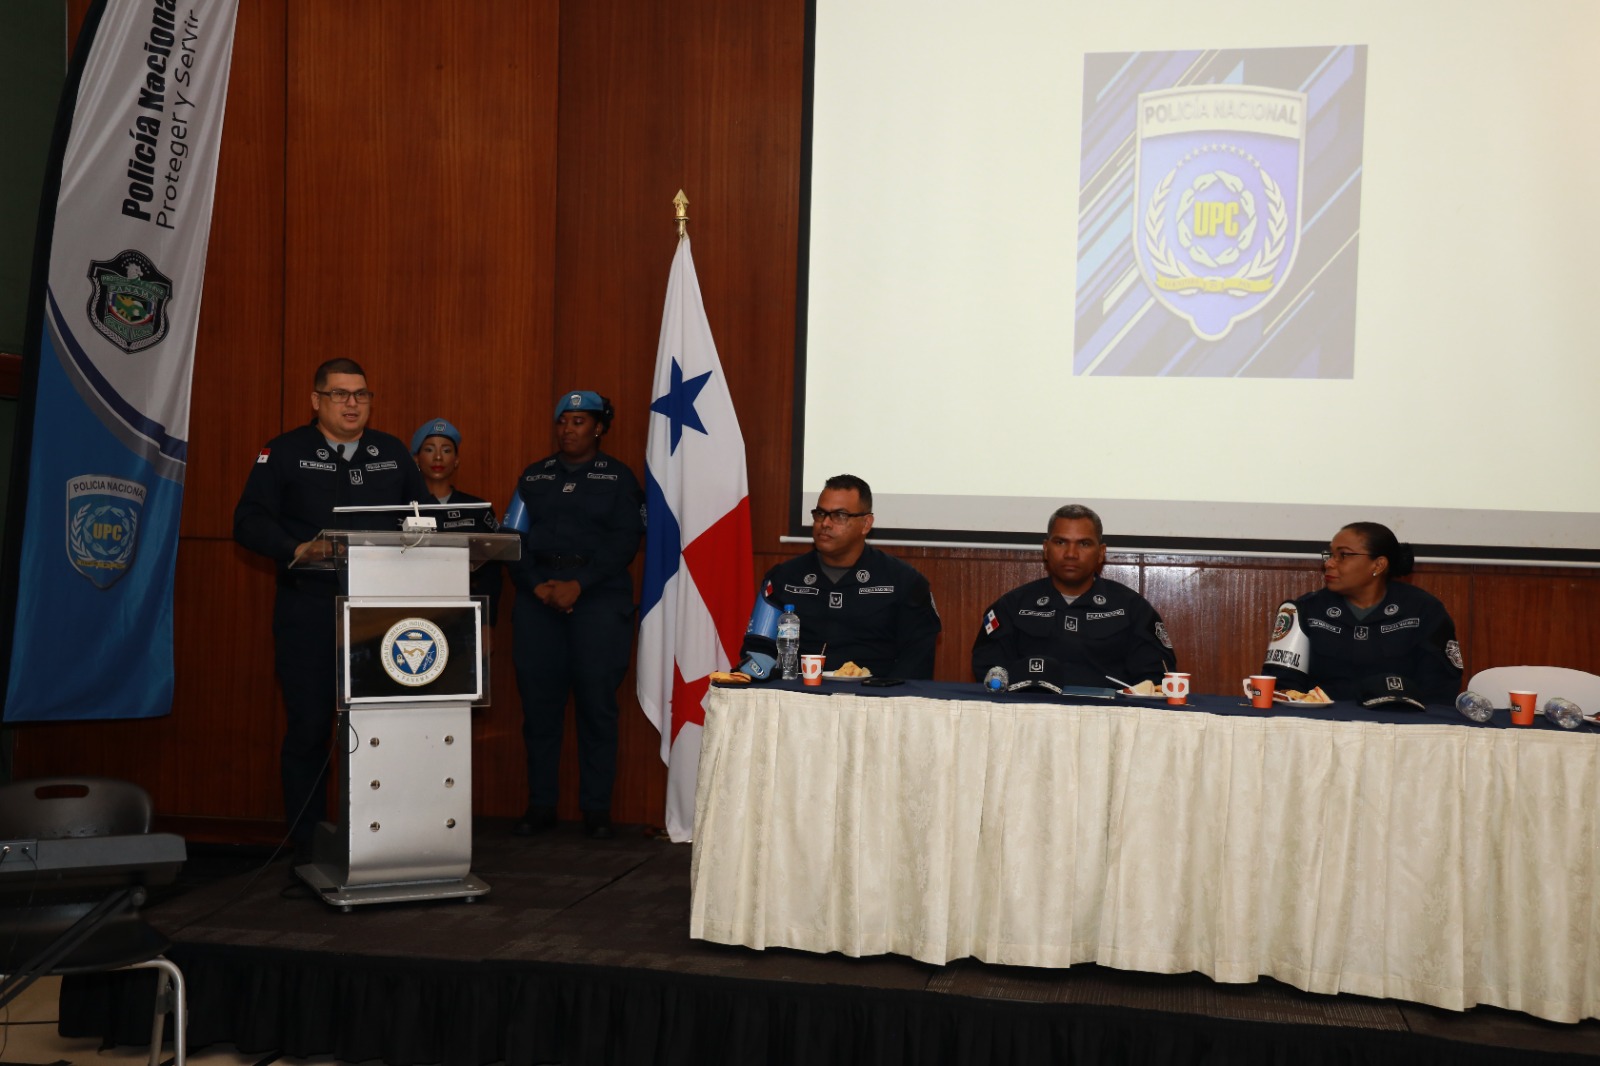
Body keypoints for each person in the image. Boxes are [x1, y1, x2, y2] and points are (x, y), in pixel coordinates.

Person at [234, 358, 429, 855]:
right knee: (310, 728)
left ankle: (383, 841)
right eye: (340, 394)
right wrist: (294, 548)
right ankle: (307, 846)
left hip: (381, 613)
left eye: (361, 394)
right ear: (316, 400)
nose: (351, 403)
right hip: (311, 608)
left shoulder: (391, 452)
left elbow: (424, 517)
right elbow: (249, 521)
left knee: (384, 729)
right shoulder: (284, 451)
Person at [504, 390, 644, 840]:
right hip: (539, 598)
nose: (568, 429)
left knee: (597, 708)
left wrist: (579, 584)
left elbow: (626, 540)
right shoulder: (534, 475)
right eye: (563, 421)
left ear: (599, 428)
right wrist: (535, 585)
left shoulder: (618, 478)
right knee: (539, 709)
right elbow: (512, 536)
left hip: (597, 599)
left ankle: (596, 810)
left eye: (579, 421)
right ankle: (541, 805)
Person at [740, 474, 940, 679]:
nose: (825, 523)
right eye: (820, 513)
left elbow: (917, 659)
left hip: (875, 694)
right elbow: (757, 649)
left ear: (866, 524)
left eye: (839, 515)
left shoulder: (903, 582)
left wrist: (885, 694)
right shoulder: (784, 578)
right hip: (798, 693)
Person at [971, 504, 1175, 688]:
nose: (1071, 554)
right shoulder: (1012, 607)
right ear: (1046, 549)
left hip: (1108, 714)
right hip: (1030, 713)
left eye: (1084, 544)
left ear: (1101, 552)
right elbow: (990, 673)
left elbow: (1155, 681)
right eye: (1061, 542)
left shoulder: (1132, 609)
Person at [1261, 521, 1463, 704]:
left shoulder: (1423, 610)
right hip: (1323, 723)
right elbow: (1282, 685)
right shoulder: (1305, 609)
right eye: (1330, 555)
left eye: (1343, 555)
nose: (1329, 563)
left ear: (1378, 565)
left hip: (1400, 723)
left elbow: (1440, 689)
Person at [411, 417, 503, 622]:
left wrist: (486, 622)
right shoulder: (401, 509)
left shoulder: (477, 509)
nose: (438, 457)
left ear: (456, 460)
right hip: (412, 611)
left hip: (466, 614)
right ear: (416, 459)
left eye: (446, 450)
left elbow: (491, 574)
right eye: (429, 450)